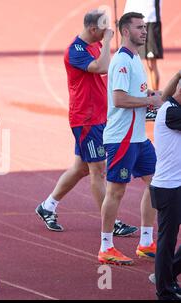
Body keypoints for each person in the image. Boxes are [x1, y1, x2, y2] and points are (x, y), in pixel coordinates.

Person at [35, 10, 137, 237]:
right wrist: (109, 41)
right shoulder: (76, 50)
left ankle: (47, 205)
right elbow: (100, 68)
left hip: (99, 117)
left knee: (81, 167)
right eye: (104, 30)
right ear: (93, 29)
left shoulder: (94, 45)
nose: (107, 33)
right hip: (86, 119)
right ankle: (110, 221)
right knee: (98, 170)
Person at [98, 12, 164, 265]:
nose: (144, 31)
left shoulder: (135, 59)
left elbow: (132, 91)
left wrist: (147, 93)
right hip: (121, 139)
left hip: (138, 138)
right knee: (116, 191)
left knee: (156, 183)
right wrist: (149, 100)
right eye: (139, 27)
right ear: (125, 31)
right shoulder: (122, 61)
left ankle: (146, 242)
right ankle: (106, 246)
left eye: (145, 27)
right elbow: (119, 99)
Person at [149, 70, 181, 300]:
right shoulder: (171, 113)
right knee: (166, 242)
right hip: (168, 189)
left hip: (176, 186)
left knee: (168, 242)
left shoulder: (170, 108)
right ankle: (164, 290)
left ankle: (168, 276)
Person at [124, 0, 164, 121]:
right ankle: (136, 100)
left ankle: (155, 104)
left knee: (151, 63)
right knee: (131, 60)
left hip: (150, 17)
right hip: (131, 16)